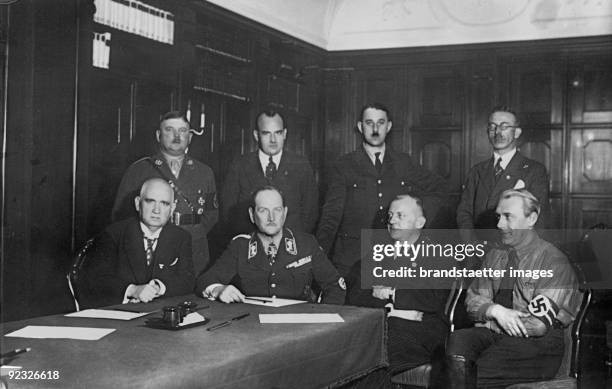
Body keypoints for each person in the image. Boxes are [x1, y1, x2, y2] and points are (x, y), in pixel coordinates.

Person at [445, 189, 579, 389]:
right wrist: (495, 311)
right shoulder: (495, 254)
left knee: (471, 374)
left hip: (538, 344)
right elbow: (472, 301)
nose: (499, 224)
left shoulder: (553, 261)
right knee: (458, 342)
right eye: (499, 216)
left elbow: (537, 325)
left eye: (508, 217)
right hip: (497, 336)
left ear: (531, 218)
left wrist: (491, 320)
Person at [316, 102, 450, 277]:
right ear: (360, 126)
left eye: (380, 123)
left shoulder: (403, 162)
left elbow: (439, 188)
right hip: (352, 257)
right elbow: (331, 215)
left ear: (389, 126)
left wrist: (417, 218)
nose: (375, 129)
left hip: (392, 256)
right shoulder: (344, 165)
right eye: (369, 123)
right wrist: (318, 255)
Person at [347, 194, 450, 383]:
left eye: (400, 216)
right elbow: (355, 295)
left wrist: (390, 292)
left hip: (424, 332)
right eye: (390, 215)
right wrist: (392, 309)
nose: (392, 221)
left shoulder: (437, 255)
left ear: (420, 222)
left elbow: (432, 299)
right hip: (387, 325)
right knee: (361, 352)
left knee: (373, 354)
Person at [196, 186, 345, 304]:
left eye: (277, 210)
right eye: (263, 210)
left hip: (298, 327)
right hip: (254, 329)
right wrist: (219, 289)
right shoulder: (240, 246)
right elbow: (205, 281)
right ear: (252, 215)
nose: (271, 217)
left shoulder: (306, 244)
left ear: (285, 213)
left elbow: (336, 286)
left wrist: (320, 319)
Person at [111, 111, 217, 275]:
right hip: (152, 247)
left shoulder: (205, 172)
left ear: (190, 137)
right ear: (158, 135)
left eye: (182, 131)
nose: (176, 136)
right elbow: (121, 215)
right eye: (169, 130)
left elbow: (211, 215)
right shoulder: (139, 170)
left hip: (194, 247)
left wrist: (194, 233)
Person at [81, 178, 195, 309]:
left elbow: (188, 281)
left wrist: (159, 287)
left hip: (159, 313)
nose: (156, 210)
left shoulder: (181, 237)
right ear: (137, 203)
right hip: (118, 312)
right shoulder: (114, 234)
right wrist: (132, 290)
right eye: (150, 201)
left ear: (172, 208)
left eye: (164, 203)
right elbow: (94, 279)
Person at [457, 106, 549, 243]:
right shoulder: (477, 171)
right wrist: (472, 245)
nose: (497, 132)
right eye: (492, 127)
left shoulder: (534, 170)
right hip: (477, 251)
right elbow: (464, 213)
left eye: (504, 127)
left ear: (517, 132)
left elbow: (538, 219)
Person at [221, 109, 318, 237]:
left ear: (285, 134)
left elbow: (310, 213)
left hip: (291, 247)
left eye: (278, 133)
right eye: (266, 133)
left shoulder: (301, 166)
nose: (273, 140)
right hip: (250, 247)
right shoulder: (240, 165)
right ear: (256, 135)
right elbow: (228, 212)